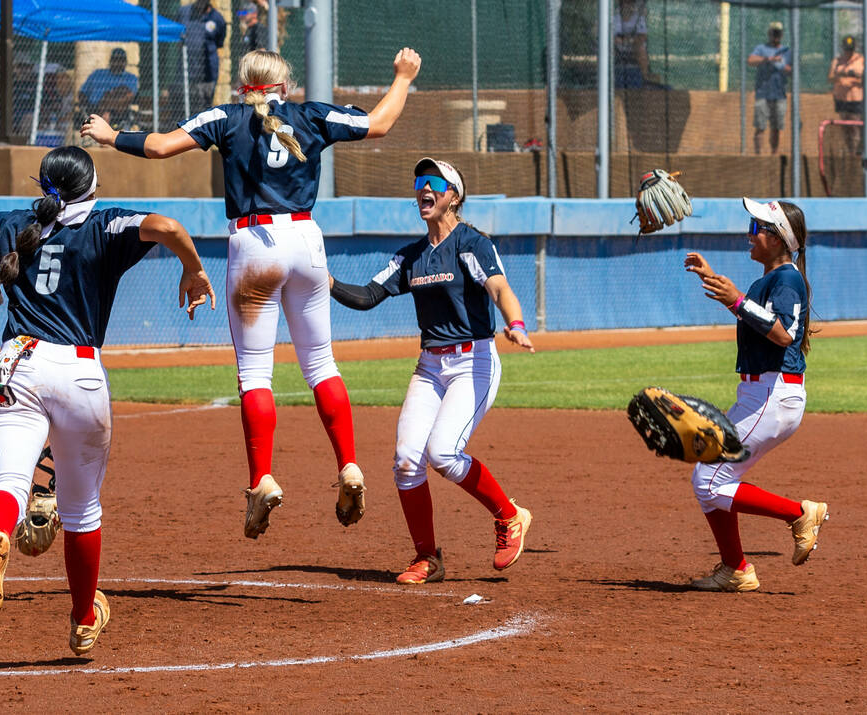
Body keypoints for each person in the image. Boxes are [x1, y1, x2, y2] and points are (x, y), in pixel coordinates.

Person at [80, 47, 422, 540]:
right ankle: (348, 464)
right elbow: (381, 123)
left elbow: (157, 147)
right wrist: (403, 76)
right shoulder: (311, 114)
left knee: (254, 373)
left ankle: (261, 478)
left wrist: (112, 136)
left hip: (253, 242)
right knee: (322, 364)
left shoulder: (226, 116)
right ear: (285, 86)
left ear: (244, 87)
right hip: (306, 239)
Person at [0, 146, 214, 655]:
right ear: (92, 188)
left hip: (16, 365)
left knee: (8, 482)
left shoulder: (17, 224)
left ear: (44, 187)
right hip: (79, 371)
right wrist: (192, 269)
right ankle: (82, 619)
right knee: (81, 512)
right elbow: (169, 226)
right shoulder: (106, 224)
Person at [327, 159, 536, 584]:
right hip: (430, 366)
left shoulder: (471, 244)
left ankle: (510, 516)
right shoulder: (411, 256)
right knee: (407, 461)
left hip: (472, 361)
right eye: (418, 182)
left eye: (432, 183)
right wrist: (325, 282)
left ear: (453, 196)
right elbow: (368, 295)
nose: (422, 188)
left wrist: (515, 324)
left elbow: (499, 287)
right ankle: (427, 557)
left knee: (442, 453)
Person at [681, 198, 828, 592]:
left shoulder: (788, 279)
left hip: (772, 395)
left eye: (758, 227)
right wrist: (715, 280)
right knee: (711, 480)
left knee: (709, 480)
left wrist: (735, 299)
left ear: (780, 240)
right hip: (758, 394)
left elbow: (782, 333)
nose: (750, 233)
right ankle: (736, 569)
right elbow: (750, 314)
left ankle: (798, 514)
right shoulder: (768, 280)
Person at [748, 22, 791, 155]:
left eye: (778, 33)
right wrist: (769, 59)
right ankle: (758, 156)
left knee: (776, 127)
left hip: (779, 94)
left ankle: (774, 155)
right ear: (769, 34)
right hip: (763, 93)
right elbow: (750, 60)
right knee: (760, 126)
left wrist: (781, 65)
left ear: (782, 34)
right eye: (773, 33)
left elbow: (791, 70)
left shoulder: (786, 51)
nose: (776, 35)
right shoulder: (761, 48)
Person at [177, 0, 227, 110]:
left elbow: (219, 42)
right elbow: (178, 36)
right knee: (184, 105)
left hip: (208, 72)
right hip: (186, 69)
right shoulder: (184, 12)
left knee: (204, 105)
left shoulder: (217, 18)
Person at [79, 48, 138, 130]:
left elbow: (129, 95)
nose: (118, 63)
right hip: (93, 107)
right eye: (116, 59)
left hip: (117, 109)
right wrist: (85, 107)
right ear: (111, 60)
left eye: (121, 60)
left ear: (125, 62)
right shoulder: (98, 73)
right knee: (108, 98)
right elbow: (82, 92)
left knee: (117, 95)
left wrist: (111, 97)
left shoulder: (130, 78)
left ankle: (104, 129)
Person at [829, 35, 863, 154]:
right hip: (841, 98)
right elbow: (831, 77)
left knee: (854, 125)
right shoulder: (837, 61)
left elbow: (864, 77)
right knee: (845, 125)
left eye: (851, 49)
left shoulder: (860, 59)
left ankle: (856, 151)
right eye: (846, 49)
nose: (848, 52)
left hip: (855, 98)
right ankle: (849, 151)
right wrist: (843, 73)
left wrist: (853, 75)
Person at [613, 0, 659, 89]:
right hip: (619, 48)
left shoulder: (638, 17)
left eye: (631, 3)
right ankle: (609, 76)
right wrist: (630, 40)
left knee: (641, 49)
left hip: (635, 48)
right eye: (626, 3)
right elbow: (614, 39)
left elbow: (642, 37)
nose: (629, 6)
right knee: (608, 50)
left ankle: (645, 78)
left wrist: (627, 40)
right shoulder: (616, 18)